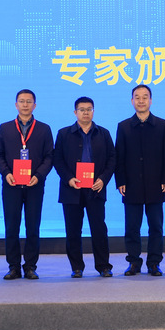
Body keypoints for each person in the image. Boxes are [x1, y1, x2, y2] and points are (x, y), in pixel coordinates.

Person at [53, 96, 115, 278]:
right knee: (73, 230)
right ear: (75, 112)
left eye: (89, 109)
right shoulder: (64, 134)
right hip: (72, 189)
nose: (86, 112)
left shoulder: (103, 133)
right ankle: (76, 267)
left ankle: (103, 266)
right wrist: (69, 179)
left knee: (99, 229)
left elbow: (112, 159)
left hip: (96, 188)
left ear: (93, 111)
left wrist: (103, 179)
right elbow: (58, 160)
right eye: (82, 109)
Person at [0, 89, 53, 280]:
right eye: (21, 101)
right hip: (11, 184)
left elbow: (49, 156)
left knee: (33, 226)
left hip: (35, 184)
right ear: (16, 104)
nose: (25, 104)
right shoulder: (5, 128)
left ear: (35, 105)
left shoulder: (44, 129)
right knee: (11, 227)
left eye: (29, 101)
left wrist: (39, 175)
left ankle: (30, 266)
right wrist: (6, 173)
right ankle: (13, 266)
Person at [115, 84, 165, 276]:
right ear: (132, 101)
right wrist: (120, 181)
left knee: (156, 226)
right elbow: (119, 156)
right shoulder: (123, 126)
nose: (141, 101)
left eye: (145, 97)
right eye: (137, 97)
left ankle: (154, 263)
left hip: (156, 184)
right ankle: (134, 262)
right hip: (131, 185)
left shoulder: (162, 125)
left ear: (151, 100)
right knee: (132, 227)